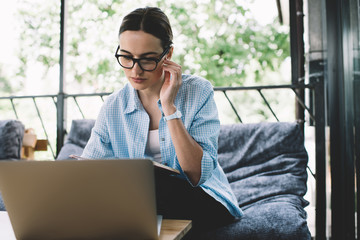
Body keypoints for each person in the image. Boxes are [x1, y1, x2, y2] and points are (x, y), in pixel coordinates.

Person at [81, 6, 243, 232]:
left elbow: (197, 175)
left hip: (201, 198)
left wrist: (169, 107)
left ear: (168, 55)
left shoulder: (198, 92)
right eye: (126, 57)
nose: (135, 70)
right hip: (139, 203)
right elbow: (89, 171)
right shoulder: (114, 106)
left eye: (147, 60)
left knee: (158, 190)